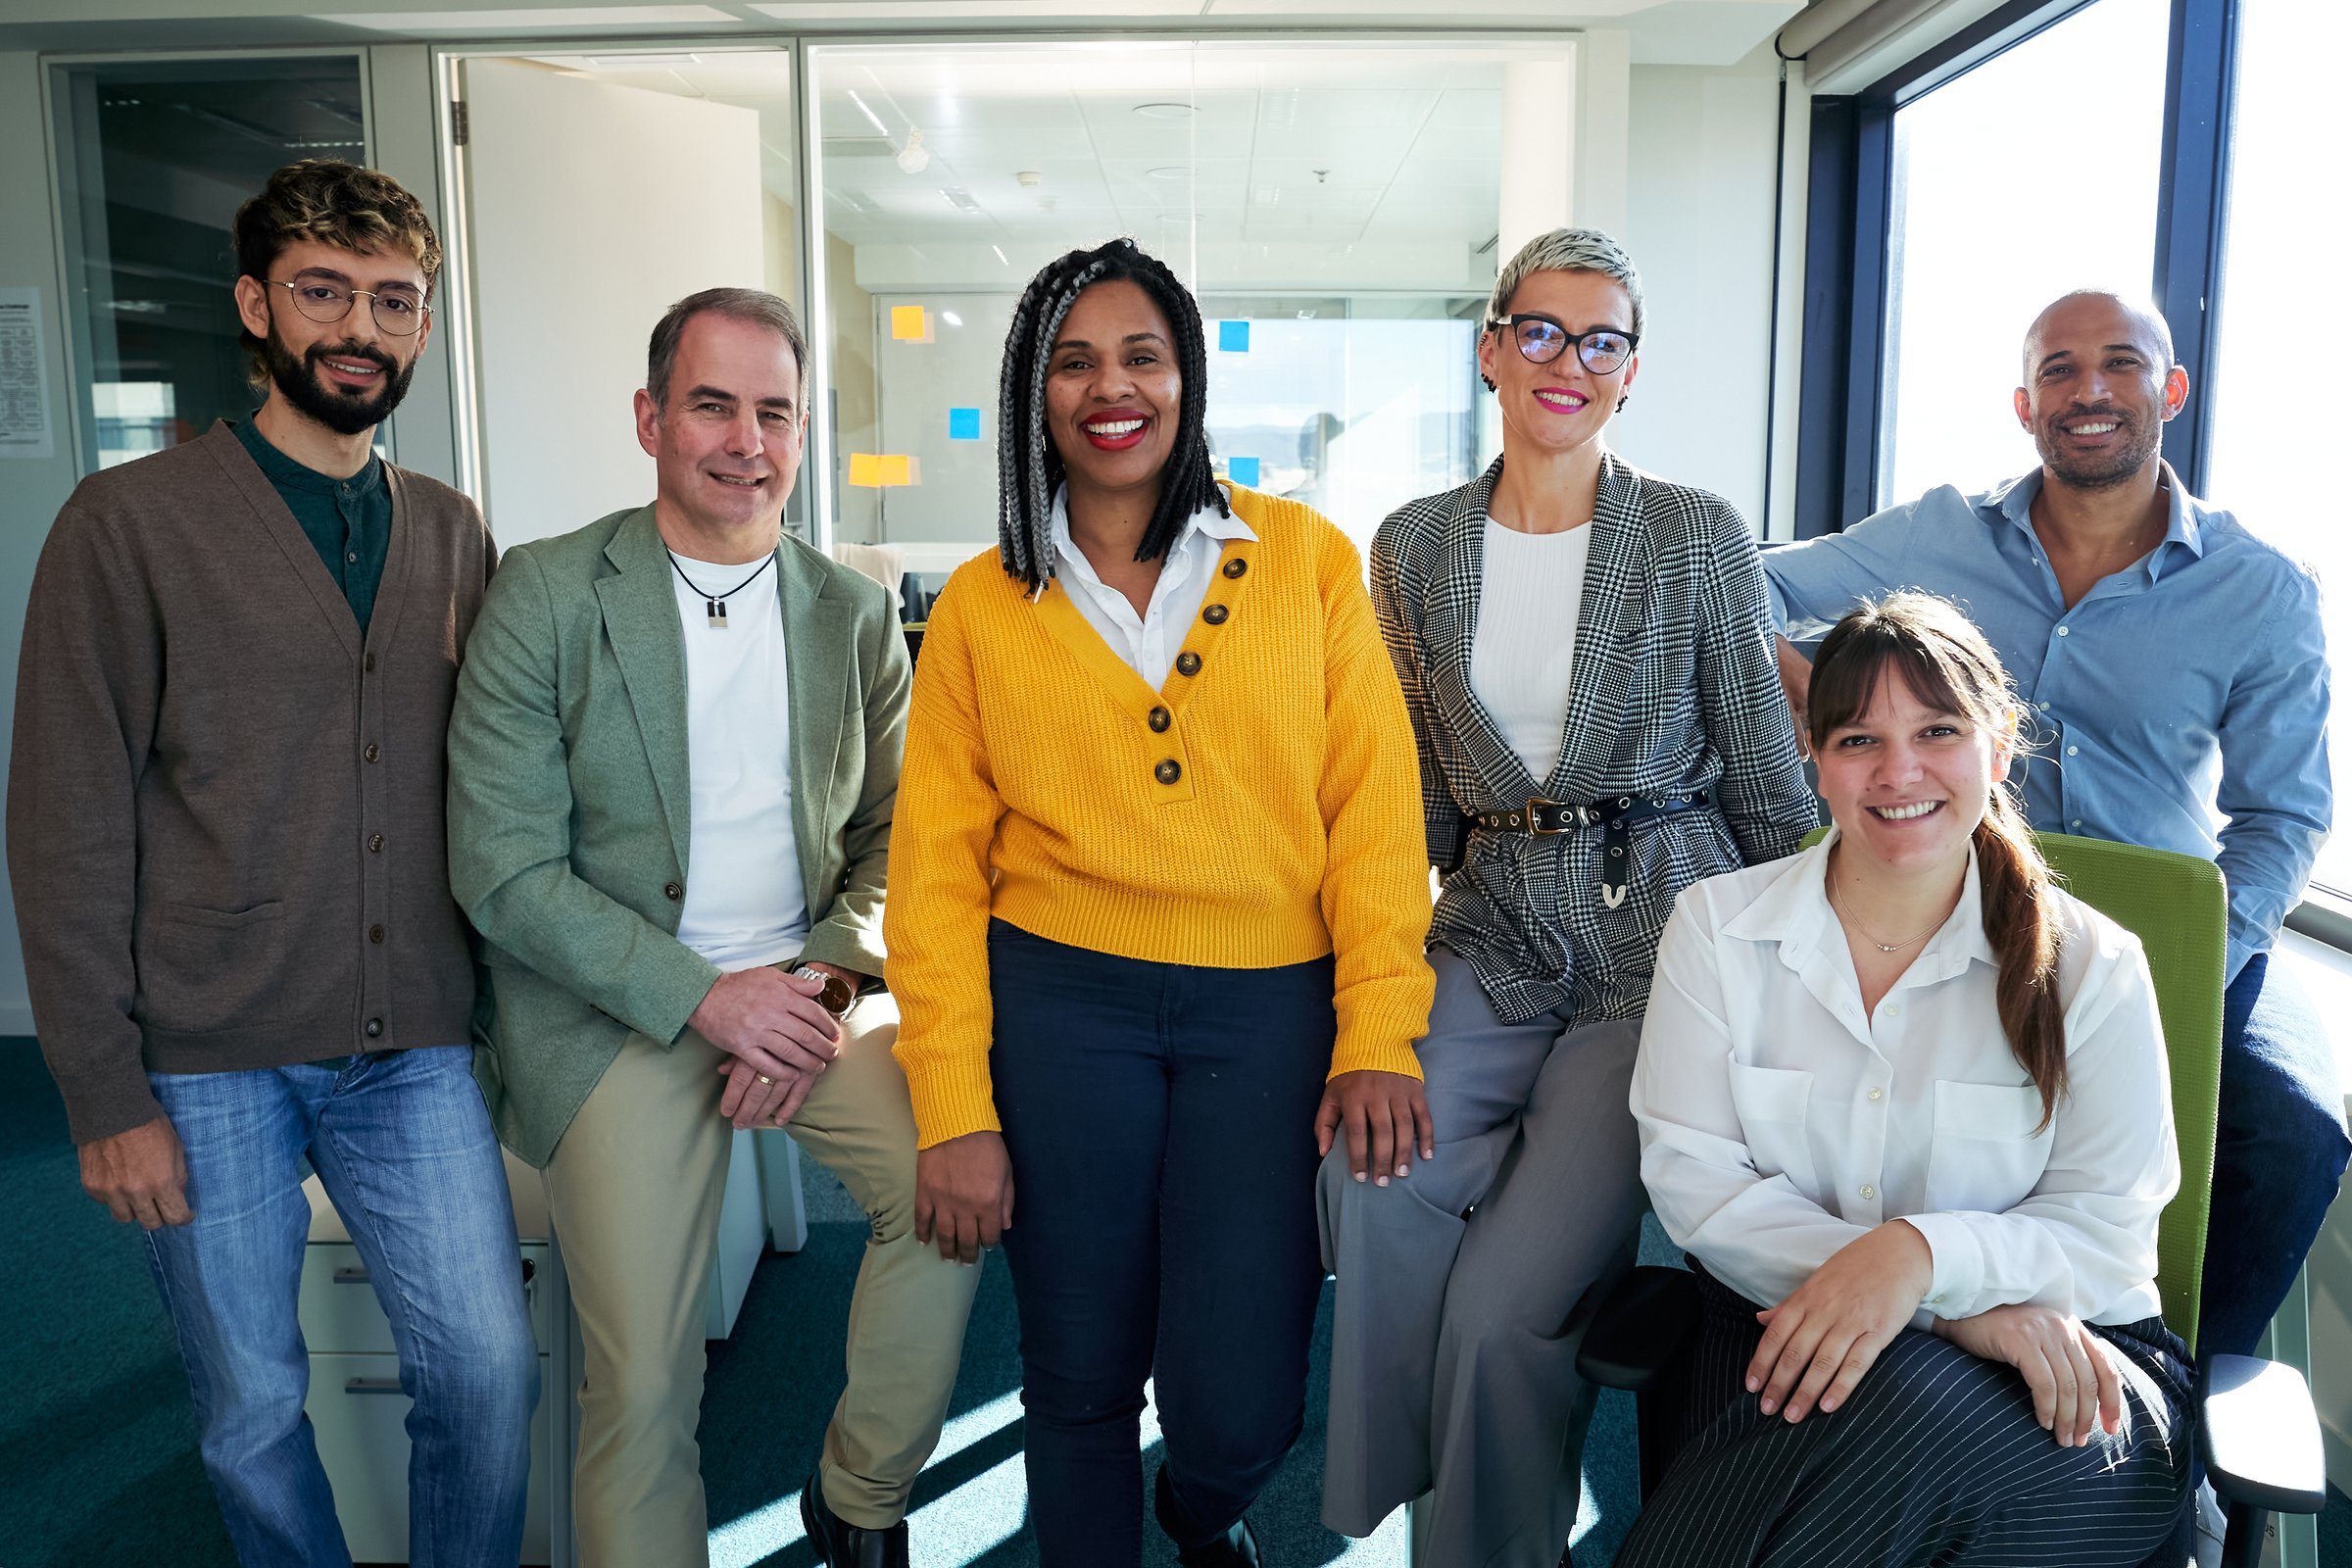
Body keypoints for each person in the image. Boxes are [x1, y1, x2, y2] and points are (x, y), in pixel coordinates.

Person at [7, 159, 537, 1567]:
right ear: (256, 306)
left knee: (485, 1372)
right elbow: (64, 823)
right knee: (249, 1401)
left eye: (392, 300)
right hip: (205, 1055)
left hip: (412, 1044)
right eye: (322, 292)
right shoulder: (124, 528)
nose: (359, 327)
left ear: (422, 325)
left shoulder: (449, 528)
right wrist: (99, 1088)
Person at [885, 237, 1435, 1566]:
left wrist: (1375, 1028)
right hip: (1060, 1004)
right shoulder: (979, 605)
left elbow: (1374, 815)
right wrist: (952, 1106)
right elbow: (936, 874)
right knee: (1076, 1375)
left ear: (1188, 377)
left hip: (1271, 1011)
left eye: (1141, 355)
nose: (1108, 388)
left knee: (1240, 1400)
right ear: (1036, 394)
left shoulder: (1303, 558)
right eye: (1072, 363)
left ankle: (1202, 1510)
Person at [445, 287, 977, 1568]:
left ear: (803, 434)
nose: (747, 440)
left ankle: (858, 1499)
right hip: (608, 1011)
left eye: (775, 413)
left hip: (814, 993)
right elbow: (503, 868)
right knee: (639, 1381)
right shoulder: (550, 593)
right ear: (650, 419)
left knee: (953, 1198)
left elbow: (895, 846)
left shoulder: (855, 616)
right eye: (713, 406)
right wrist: (706, 999)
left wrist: (823, 994)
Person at [1319, 225, 1817, 1561]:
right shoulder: (1412, 544)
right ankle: (1410, 1487)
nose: (1568, 361)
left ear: (1630, 373)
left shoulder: (1696, 535)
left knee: (1500, 1310)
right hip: (1491, 926)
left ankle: (1479, 1547)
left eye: (1602, 341)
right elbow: (1408, 794)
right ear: (1491, 349)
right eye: (1540, 330)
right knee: (1367, 1189)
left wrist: (1822, 974)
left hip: (1657, 948)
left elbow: (1768, 778)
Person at [1762, 289, 2343, 1368]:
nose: (2089, 390)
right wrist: (1814, 698)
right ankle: (1919, 1354)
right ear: (2023, 404)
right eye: (2059, 369)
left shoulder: (2260, 590)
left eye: (2120, 364)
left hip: (2177, 925)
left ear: (2169, 390)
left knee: (2293, 1132)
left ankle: (2170, 1398)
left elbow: (2285, 815)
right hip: (1954, 904)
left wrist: (2198, 965)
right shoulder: (1939, 531)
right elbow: (1739, 582)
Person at [1618, 591, 2190, 1567]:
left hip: (2064, 1371)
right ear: (1813, 752)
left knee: (1897, 1413)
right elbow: (1696, 1185)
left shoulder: (2093, 965)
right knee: (1884, 1416)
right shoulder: (1717, 929)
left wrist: (1916, 1261)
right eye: (1858, 739)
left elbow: (2109, 1231)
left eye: (1938, 730)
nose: (1899, 772)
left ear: (1998, 744)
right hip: (1781, 1333)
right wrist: (1952, 1306)